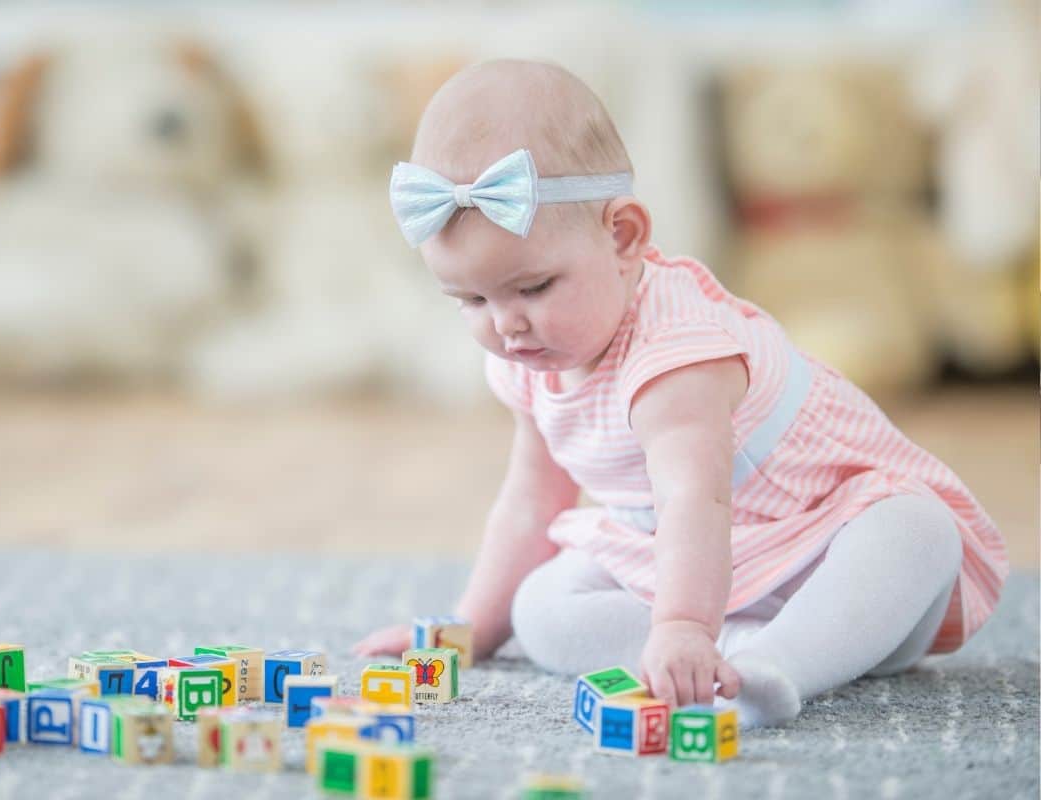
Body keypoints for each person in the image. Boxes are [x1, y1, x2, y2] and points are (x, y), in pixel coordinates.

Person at [352, 59, 1007, 728]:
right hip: (692, 563)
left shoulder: (677, 352)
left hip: (824, 547)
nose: (506, 324)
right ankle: (728, 654)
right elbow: (529, 503)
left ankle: (780, 665)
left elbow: (695, 497)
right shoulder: (530, 357)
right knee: (540, 609)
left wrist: (685, 621)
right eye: (471, 299)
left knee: (916, 529)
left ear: (623, 237)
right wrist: (466, 631)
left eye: (534, 288)